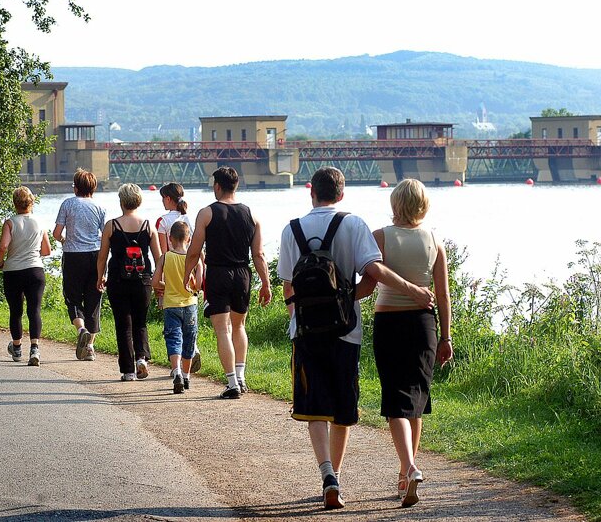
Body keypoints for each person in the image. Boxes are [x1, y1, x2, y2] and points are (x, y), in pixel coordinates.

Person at [276, 167, 434, 510]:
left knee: (314, 406)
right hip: (346, 331)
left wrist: (298, 318)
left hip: (306, 331)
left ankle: (328, 475)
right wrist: (349, 300)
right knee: (343, 407)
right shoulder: (353, 224)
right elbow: (372, 274)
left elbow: (288, 285)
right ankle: (337, 473)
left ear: (311, 192)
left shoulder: (292, 229)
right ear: (342, 194)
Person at [368, 178, 453, 507]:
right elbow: (443, 295)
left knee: (395, 402)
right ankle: (405, 477)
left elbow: (368, 280)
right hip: (424, 326)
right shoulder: (434, 240)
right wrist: (446, 337)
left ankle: (409, 467)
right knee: (416, 401)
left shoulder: (380, 237)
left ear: (395, 204)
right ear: (423, 205)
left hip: (389, 323)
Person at [183, 166, 271, 399]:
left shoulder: (207, 213)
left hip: (218, 273)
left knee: (222, 329)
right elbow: (258, 254)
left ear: (217, 186)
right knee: (239, 326)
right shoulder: (252, 214)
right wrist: (265, 283)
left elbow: (194, 250)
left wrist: (187, 274)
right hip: (243, 274)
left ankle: (232, 383)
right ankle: (241, 378)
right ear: (236, 185)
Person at [97, 183, 161, 381]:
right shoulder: (148, 226)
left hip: (118, 280)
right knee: (140, 322)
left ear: (121, 202)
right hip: (143, 281)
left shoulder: (111, 226)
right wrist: (159, 282)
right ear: (138, 201)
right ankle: (142, 358)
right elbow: (159, 258)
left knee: (123, 324)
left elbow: (102, 257)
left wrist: (100, 277)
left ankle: (128, 371)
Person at [53, 169, 106, 362]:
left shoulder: (67, 204)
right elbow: (106, 235)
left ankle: (81, 329)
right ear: (94, 188)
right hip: (95, 255)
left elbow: (56, 233)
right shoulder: (100, 207)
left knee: (73, 298)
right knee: (94, 299)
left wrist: (64, 240)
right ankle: (90, 348)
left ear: (75, 188)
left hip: (73, 256)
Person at [0, 186, 51, 366]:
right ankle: (34, 349)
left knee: (16, 311)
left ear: (14, 203)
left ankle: (17, 347)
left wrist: (1, 261)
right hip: (35, 271)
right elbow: (47, 250)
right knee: (34, 310)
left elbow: (3, 246)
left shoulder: (10, 223)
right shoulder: (39, 222)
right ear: (31, 202)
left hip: (13, 271)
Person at [152, 221, 204, 393]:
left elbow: (155, 282)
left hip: (171, 306)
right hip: (190, 305)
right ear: (188, 239)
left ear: (170, 238)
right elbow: (198, 285)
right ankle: (187, 376)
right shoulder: (195, 259)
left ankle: (177, 372)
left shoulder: (165, 257)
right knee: (189, 340)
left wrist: (167, 286)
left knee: (174, 339)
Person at [156, 182, 201, 373]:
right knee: (190, 326)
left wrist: (161, 286)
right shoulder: (189, 219)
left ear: (168, 198)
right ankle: (192, 350)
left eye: (163, 198)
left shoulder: (163, 221)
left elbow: (161, 252)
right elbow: (198, 248)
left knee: (173, 331)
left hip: (171, 274)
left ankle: (176, 368)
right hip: (190, 275)